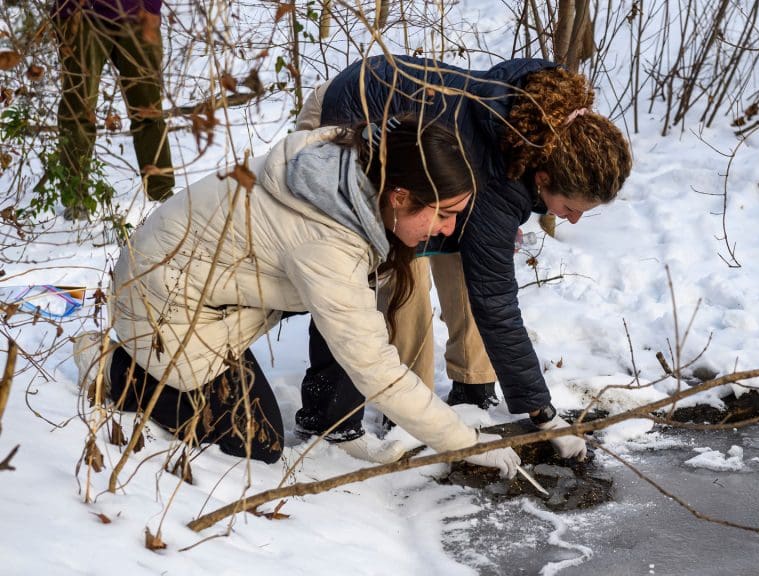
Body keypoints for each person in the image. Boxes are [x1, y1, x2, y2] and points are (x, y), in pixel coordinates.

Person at [73, 119, 521, 477]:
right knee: (257, 442)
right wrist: (465, 442)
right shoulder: (327, 240)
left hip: (211, 290)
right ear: (401, 195)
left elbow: (352, 315)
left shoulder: (351, 180)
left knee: (354, 303)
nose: (447, 229)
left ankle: (329, 417)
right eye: (444, 215)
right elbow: (374, 367)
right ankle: (114, 367)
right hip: (161, 307)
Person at [293, 55, 632, 459]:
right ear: (542, 178)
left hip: (428, 142)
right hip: (351, 115)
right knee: (387, 268)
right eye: (573, 207)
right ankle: (347, 420)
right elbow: (497, 303)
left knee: (469, 252)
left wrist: (538, 408)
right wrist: (545, 417)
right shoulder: (495, 164)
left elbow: (488, 278)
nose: (573, 220)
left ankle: (473, 388)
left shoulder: (538, 130)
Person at [51, 0, 175, 219]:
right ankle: (75, 198)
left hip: (138, 13)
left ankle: (162, 194)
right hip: (80, 14)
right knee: (77, 110)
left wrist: (151, 6)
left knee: (148, 109)